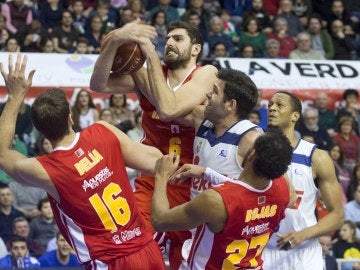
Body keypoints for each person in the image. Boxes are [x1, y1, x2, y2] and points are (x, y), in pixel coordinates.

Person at [0, 54, 165, 269]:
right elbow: (158, 163)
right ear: (70, 117)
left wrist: (15, 96)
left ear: (40, 131)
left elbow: (3, 154)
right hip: (146, 249)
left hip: (109, 261)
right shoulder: (103, 131)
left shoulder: (47, 170)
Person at [90, 19, 218, 269]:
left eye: (177, 39)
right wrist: (115, 41)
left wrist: (146, 53)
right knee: (134, 246)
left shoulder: (206, 74)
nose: (169, 42)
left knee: (186, 261)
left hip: (190, 184)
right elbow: (98, 84)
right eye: (167, 38)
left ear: (196, 49)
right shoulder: (148, 73)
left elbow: (169, 108)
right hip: (152, 177)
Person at [151, 130, 294, 269]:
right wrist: (206, 172)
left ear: (252, 154)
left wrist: (161, 175)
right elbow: (245, 193)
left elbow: (160, 221)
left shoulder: (214, 201)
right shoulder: (283, 190)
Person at [262, 91, 344, 269]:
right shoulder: (253, 151)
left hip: (304, 252)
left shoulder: (317, 157)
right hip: (263, 250)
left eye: (279, 105)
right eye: (270, 105)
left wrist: (303, 234)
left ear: (295, 116)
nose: (272, 109)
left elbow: (338, 215)